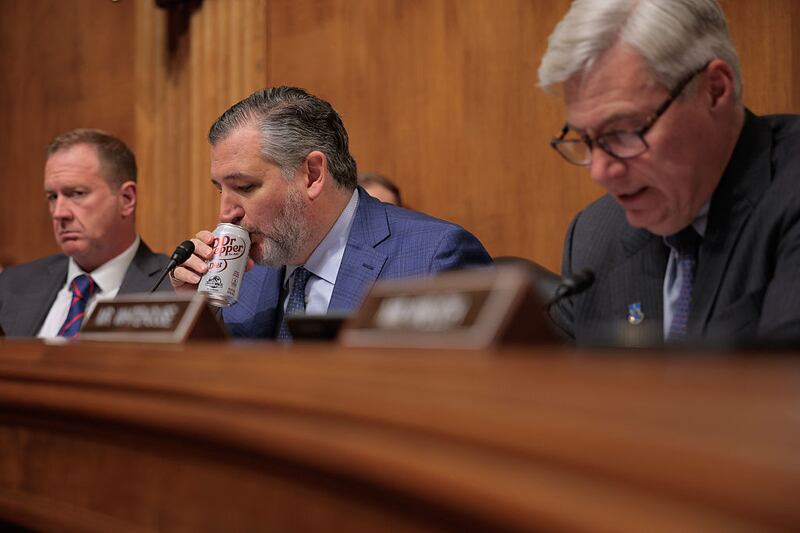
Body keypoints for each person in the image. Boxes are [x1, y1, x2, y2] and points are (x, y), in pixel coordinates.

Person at [538, 0, 800, 347]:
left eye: (625, 131)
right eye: (586, 138)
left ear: (715, 90)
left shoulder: (790, 194)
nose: (599, 171)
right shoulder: (595, 237)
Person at [171, 86, 492, 339]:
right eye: (221, 190)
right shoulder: (242, 274)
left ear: (312, 175)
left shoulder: (433, 259)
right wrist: (195, 312)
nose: (225, 214)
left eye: (245, 186)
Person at [0, 129, 172, 338]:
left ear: (127, 199)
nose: (59, 213)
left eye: (77, 194)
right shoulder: (11, 284)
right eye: (53, 197)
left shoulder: (174, 289)